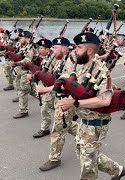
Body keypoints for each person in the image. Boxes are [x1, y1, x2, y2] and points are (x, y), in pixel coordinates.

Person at [58, 32, 125, 179]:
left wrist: (74, 103)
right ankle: (117, 170)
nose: (75, 50)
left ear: (89, 51)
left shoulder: (102, 71)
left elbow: (105, 100)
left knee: (87, 167)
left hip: (95, 124)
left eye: (79, 47)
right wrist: (66, 104)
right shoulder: (80, 68)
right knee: (83, 153)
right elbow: (76, 90)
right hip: (83, 121)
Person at [38, 37, 78, 171]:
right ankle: (86, 135)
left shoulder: (70, 63)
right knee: (67, 125)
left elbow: (64, 84)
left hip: (65, 100)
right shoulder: (60, 61)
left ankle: (54, 159)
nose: (53, 50)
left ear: (65, 48)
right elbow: (55, 78)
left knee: (57, 131)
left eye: (56, 48)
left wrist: (45, 90)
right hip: (59, 98)